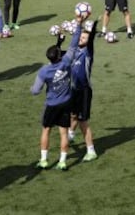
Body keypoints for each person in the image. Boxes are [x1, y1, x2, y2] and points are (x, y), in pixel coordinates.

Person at [31, 14, 88, 171]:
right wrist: (79, 24)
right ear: (59, 56)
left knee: (46, 130)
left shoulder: (44, 71)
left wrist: (37, 87)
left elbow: (35, 91)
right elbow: (74, 42)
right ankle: (63, 162)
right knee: (64, 133)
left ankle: (44, 160)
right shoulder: (66, 61)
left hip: (51, 104)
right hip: (65, 103)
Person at [67, 20, 99, 162]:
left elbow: (91, 40)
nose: (81, 39)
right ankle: (71, 135)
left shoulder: (88, 53)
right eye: (80, 37)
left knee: (83, 121)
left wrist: (92, 29)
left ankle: (91, 150)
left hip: (84, 91)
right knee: (73, 115)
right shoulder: (73, 52)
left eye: (84, 38)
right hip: (73, 89)